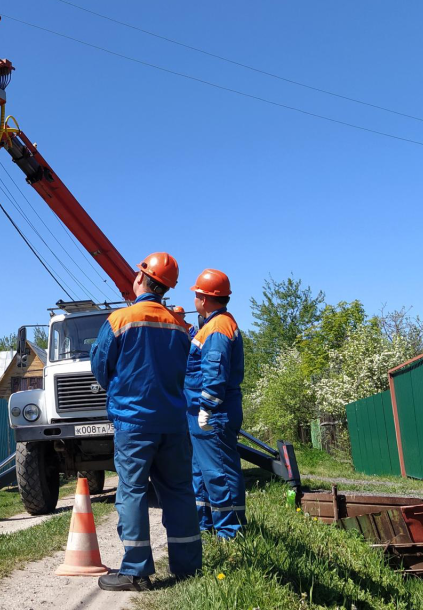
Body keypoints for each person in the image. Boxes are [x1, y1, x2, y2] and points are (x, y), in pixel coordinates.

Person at [90, 253, 202, 591]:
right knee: (180, 492)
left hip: (134, 424)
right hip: (173, 423)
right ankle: (188, 568)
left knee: (133, 492)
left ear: (141, 278)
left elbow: (100, 368)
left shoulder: (120, 320)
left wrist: (121, 391)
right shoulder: (179, 326)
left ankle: (136, 571)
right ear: (167, 288)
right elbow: (189, 371)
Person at [185, 268, 246, 539]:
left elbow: (215, 368)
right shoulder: (212, 325)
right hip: (206, 411)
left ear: (205, 298)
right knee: (202, 472)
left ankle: (231, 534)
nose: (195, 299)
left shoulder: (219, 327)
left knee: (219, 471)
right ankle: (206, 526)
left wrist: (207, 406)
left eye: (197, 294)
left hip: (214, 412)